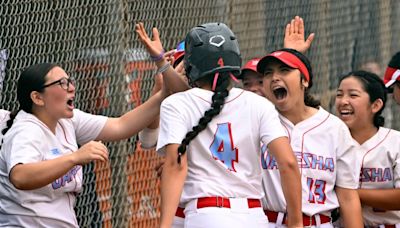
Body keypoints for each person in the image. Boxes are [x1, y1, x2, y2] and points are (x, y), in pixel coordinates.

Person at [0, 58, 188, 227]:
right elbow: (20, 176)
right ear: (37, 98)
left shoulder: (66, 121)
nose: (71, 88)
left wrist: (165, 92)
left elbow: (121, 125)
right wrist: (74, 158)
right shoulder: (26, 130)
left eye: (70, 81)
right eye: (62, 83)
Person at [155, 22, 302, 228]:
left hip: (205, 215)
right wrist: (296, 223)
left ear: (191, 66)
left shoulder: (177, 103)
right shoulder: (259, 104)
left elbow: (175, 165)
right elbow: (288, 163)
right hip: (253, 217)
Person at [257, 48, 363, 228]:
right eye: (268, 73)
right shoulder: (258, 122)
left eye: (284, 70)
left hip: (318, 222)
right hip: (268, 221)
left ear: (304, 80)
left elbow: (348, 197)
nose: (274, 77)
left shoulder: (334, 128)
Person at [335, 70, 400, 227]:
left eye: (353, 95)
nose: (343, 101)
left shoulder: (395, 141)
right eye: (339, 94)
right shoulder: (329, 142)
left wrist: (350, 194)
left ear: (376, 105)